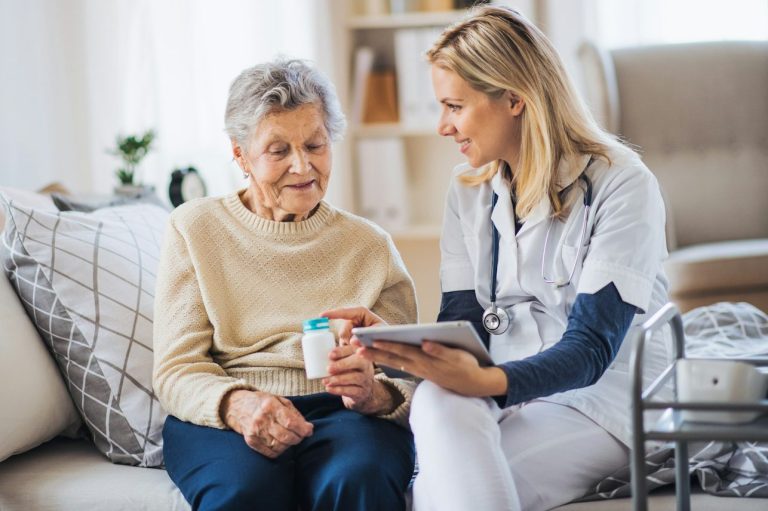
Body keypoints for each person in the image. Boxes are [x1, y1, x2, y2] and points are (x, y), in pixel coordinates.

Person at [323, 6, 672, 511]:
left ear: (513, 99)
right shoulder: (467, 191)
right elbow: (464, 326)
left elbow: (592, 349)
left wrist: (485, 382)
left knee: (434, 493)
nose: (443, 126)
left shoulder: (622, 184)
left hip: (602, 402)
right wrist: (403, 348)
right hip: (510, 393)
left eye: (454, 106)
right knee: (439, 398)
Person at [152, 59, 417, 511]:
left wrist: (376, 393)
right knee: (242, 492)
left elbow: (409, 376)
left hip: (344, 411)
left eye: (316, 144)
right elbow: (177, 369)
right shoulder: (194, 229)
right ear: (239, 154)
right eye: (278, 150)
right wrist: (237, 405)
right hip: (230, 407)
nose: (303, 165)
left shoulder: (370, 246)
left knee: (359, 481)